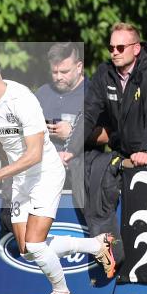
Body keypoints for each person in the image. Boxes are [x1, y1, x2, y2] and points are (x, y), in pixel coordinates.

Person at [0, 51, 115, 294]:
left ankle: (62, 293)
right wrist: (7, 176)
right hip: (18, 175)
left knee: (36, 245)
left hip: (45, 173)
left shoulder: (21, 99)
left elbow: (34, 154)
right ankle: (96, 246)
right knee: (26, 249)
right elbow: (2, 142)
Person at [82, 23, 147, 265]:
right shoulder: (104, 73)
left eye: (120, 47)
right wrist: (71, 147)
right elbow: (87, 114)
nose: (114, 52)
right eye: (111, 47)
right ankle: (115, 257)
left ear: (136, 49)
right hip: (125, 153)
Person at [35, 42, 86, 191]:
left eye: (64, 72)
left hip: (79, 180)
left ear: (79, 66)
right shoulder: (43, 93)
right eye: (54, 72)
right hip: (43, 178)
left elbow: (106, 135)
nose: (58, 77)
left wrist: (74, 134)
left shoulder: (93, 93)